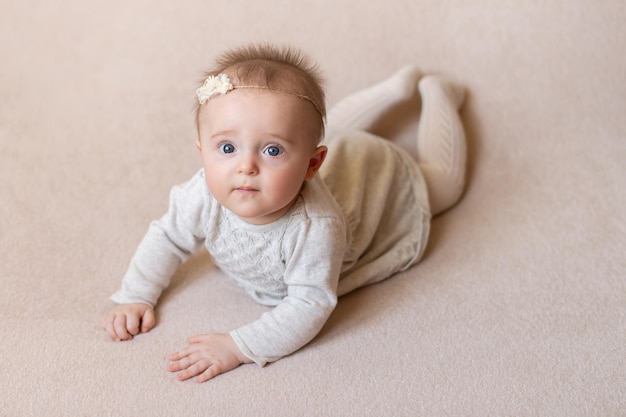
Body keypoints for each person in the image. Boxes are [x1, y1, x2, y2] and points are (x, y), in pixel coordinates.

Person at [101, 43, 467, 383]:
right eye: (227, 146)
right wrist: (136, 294)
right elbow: (167, 235)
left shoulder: (315, 228)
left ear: (312, 165)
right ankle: (394, 89)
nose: (246, 166)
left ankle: (439, 94)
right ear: (202, 150)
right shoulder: (202, 193)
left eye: (272, 151)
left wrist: (239, 346)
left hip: (375, 183)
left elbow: (310, 303)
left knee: (442, 187)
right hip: (331, 150)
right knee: (330, 130)